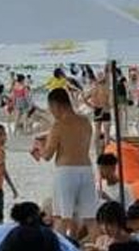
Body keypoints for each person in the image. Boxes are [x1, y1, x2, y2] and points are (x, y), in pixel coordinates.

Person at [39, 88, 97, 238]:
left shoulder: (58, 125)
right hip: (86, 169)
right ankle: (98, 248)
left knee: (62, 218)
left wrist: (39, 147)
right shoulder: (85, 122)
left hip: (66, 171)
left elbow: (47, 155)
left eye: (51, 108)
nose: (52, 112)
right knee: (90, 219)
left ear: (56, 105)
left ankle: (59, 250)